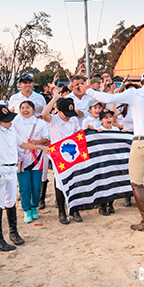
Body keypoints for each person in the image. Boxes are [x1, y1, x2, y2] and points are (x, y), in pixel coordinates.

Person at [86, 71, 144, 232]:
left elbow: (109, 98)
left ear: (142, 82)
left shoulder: (135, 93)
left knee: (136, 182)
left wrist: (88, 91)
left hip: (142, 141)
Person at [0, 105, 49, 251]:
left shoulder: (11, 129)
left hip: (12, 169)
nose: (10, 122)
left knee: (11, 201)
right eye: (6, 120)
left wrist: (41, 148)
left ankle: (13, 232)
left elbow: (22, 144)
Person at [42, 90, 83, 224]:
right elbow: (44, 114)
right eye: (66, 114)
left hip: (73, 155)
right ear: (59, 111)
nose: (68, 117)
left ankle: (75, 209)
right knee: (60, 183)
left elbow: (78, 134)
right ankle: (61, 211)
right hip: (59, 156)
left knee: (75, 181)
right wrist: (54, 98)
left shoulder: (74, 120)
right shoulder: (53, 120)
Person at [12, 101, 50, 223]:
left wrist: (36, 142)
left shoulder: (41, 123)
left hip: (37, 159)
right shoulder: (15, 123)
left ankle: (34, 207)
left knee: (36, 186)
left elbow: (47, 140)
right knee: (24, 187)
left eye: (28, 107)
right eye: (22, 108)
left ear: (33, 109)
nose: (25, 110)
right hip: (21, 159)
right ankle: (27, 209)